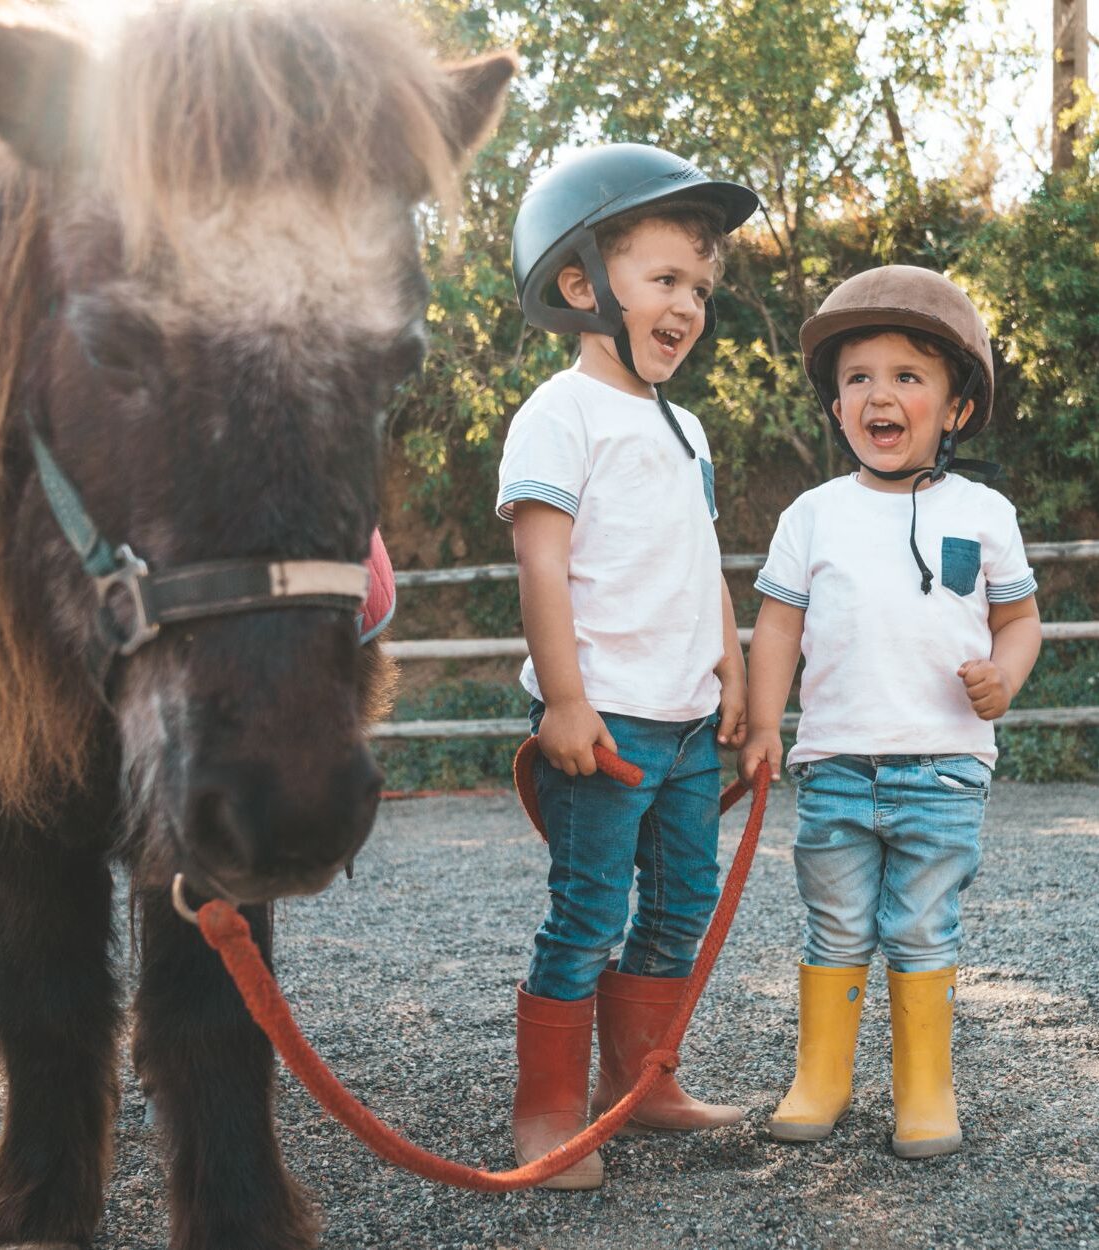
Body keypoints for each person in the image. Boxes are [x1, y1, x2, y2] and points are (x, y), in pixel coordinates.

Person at [499, 144, 759, 1188]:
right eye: (665, 279)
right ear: (580, 286)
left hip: (691, 721)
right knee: (589, 910)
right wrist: (564, 698)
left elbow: (700, 559)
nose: (688, 305)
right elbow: (541, 562)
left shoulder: (685, 425)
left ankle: (642, 1079)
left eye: (698, 287)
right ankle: (548, 1108)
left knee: (678, 903)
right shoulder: (559, 415)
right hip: (601, 722)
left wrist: (734, 669)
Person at [739, 265, 1042, 1159]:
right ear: (836, 408)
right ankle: (821, 1079)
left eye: (908, 377)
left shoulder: (983, 512)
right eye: (858, 378)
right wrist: (763, 727)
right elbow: (776, 627)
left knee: (919, 927)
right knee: (832, 924)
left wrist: (1006, 673)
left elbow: (1019, 618)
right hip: (833, 762)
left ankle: (924, 1091)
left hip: (946, 767)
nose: (880, 395)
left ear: (955, 409)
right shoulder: (812, 515)